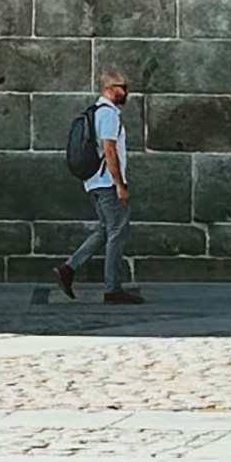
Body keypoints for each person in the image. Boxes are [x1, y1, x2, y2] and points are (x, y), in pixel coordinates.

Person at [55, 68, 138, 304]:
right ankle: (113, 288)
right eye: (123, 86)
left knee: (105, 229)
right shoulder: (108, 114)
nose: (126, 91)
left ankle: (69, 268)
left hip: (95, 182)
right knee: (118, 232)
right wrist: (120, 184)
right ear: (111, 89)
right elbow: (109, 150)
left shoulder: (97, 112)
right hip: (107, 183)